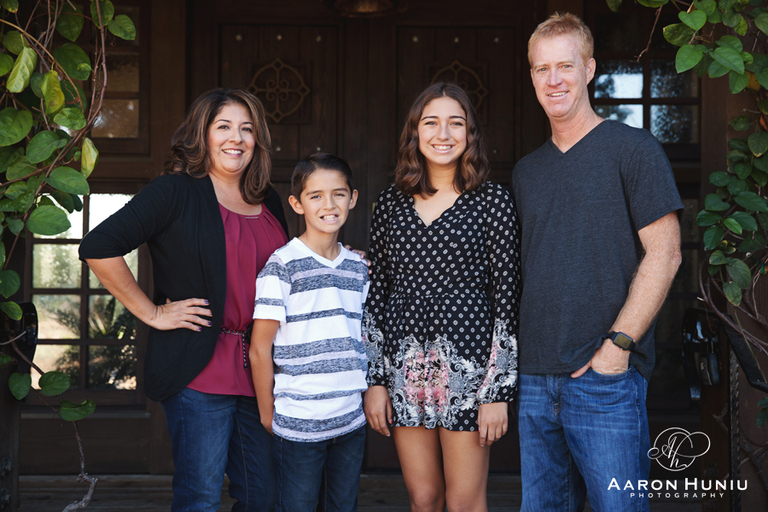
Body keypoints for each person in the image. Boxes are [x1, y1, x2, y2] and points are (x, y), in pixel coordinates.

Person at [79, 88, 288, 512]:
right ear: (202, 134)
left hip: (263, 368)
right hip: (200, 368)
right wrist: (152, 312)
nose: (237, 138)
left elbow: (289, 268)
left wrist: (337, 260)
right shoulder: (175, 192)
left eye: (247, 129)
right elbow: (99, 246)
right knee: (201, 498)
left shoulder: (269, 199)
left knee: (264, 496)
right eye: (223, 127)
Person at [510, 13, 683, 512]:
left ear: (589, 69)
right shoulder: (527, 172)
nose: (554, 79)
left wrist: (618, 347)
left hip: (604, 378)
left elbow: (666, 254)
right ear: (532, 77)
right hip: (537, 378)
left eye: (565, 66)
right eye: (542, 69)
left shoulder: (633, 150)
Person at [363, 82, 520, 512]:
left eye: (457, 123)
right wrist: (375, 381)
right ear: (415, 132)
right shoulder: (390, 204)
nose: (444, 133)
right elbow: (377, 296)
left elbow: (507, 300)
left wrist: (497, 392)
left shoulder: (492, 201)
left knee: (465, 502)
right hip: (404, 368)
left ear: (471, 134)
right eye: (431, 122)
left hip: (469, 374)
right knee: (425, 498)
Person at [249, 153, 369, 512]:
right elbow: (259, 349)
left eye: (338, 194)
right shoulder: (282, 265)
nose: (329, 204)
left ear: (353, 198)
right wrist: (267, 414)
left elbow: (364, 337)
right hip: (298, 425)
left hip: (351, 421)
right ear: (297, 204)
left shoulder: (359, 268)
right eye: (315, 196)